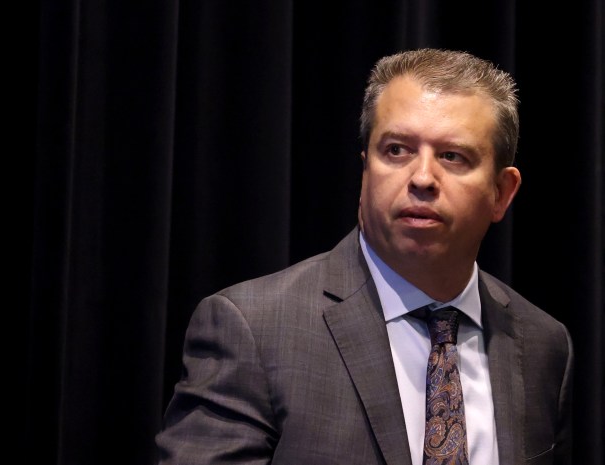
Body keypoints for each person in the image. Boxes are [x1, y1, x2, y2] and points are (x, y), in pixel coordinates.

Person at [155, 48, 573, 464]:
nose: (422, 178)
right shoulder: (254, 330)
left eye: (452, 156)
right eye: (396, 150)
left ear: (501, 193)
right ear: (365, 171)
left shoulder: (543, 345)